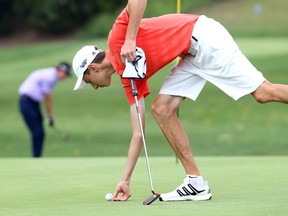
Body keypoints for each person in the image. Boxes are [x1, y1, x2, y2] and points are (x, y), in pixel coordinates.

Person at [72, 0, 288, 202]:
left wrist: (130, 38)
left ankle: (195, 183)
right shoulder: (129, 79)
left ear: (93, 68)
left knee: (263, 93)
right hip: (191, 54)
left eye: (88, 80)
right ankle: (196, 183)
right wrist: (125, 180)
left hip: (204, 36)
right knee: (162, 108)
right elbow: (138, 134)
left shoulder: (117, 38)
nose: (93, 86)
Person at [18, 62, 71, 158]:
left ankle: (37, 157)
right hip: (26, 102)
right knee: (37, 132)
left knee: (40, 133)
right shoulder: (50, 77)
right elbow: (48, 99)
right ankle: (36, 158)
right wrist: (50, 117)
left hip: (33, 103)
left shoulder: (52, 76)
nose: (65, 77)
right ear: (60, 70)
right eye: (66, 74)